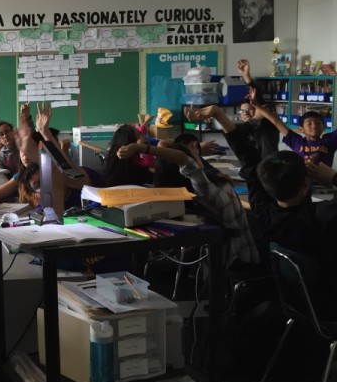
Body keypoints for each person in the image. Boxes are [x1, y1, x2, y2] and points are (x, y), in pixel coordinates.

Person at [191, 105, 337, 279]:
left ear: (266, 185)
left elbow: (248, 159)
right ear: (306, 184)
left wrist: (219, 114)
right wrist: (333, 177)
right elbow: (248, 159)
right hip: (323, 289)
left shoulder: (262, 211)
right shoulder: (322, 216)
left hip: (284, 286)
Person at [117, 133, 259, 268]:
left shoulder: (177, 198)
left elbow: (166, 146)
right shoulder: (206, 189)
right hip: (236, 255)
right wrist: (140, 147)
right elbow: (184, 159)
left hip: (211, 258)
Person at [250, 88, 337, 167]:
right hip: (301, 178)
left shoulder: (329, 140)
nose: (314, 126)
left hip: (324, 179)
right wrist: (257, 106)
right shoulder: (296, 141)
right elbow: (276, 121)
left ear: (324, 127)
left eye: (318, 123)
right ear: (301, 129)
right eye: (309, 124)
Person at [234, 59, 281, 168]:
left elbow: (259, 100)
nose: (246, 114)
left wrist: (246, 76)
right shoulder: (246, 127)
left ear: (259, 111)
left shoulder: (266, 123)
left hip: (270, 166)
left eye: (249, 110)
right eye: (243, 111)